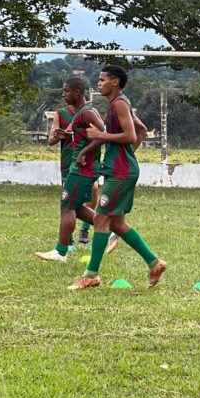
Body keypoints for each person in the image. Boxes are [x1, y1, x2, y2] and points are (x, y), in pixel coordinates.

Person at [68, 65, 166, 290]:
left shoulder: (120, 103)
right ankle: (154, 263)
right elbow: (140, 130)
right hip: (120, 169)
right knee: (118, 224)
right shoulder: (120, 103)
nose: (98, 84)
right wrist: (127, 155)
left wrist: (101, 135)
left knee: (101, 219)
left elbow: (131, 135)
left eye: (102, 80)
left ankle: (91, 275)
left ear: (115, 82)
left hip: (121, 172)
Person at [35, 77, 105, 262]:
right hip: (79, 167)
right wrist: (66, 134)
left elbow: (103, 134)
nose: (63, 94)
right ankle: (115, 228)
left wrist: (84, 152)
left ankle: (60, 252)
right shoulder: (80, 112)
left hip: (83, 168)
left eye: (66, 91)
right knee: (76, 208)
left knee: (67, 206)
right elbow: (84, 135)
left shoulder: (87, 112)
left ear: (78, 92)